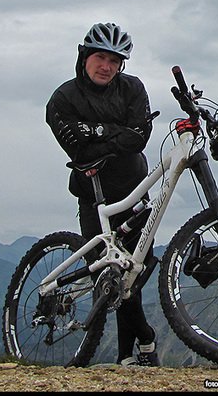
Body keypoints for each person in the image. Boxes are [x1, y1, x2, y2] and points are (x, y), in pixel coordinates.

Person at [45, 22, 159, 367]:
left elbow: (138, 138)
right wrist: (116, 134)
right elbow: (79, 151)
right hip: (93, 197)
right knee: (106, 278)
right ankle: (145, 342)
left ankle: (129, 356)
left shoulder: (132, 88)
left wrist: (95, 131)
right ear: (84, 57)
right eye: (100, 57)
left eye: (114, 60)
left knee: (133, 276)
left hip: (134, 190)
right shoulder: (63, 99)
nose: (106, 66)